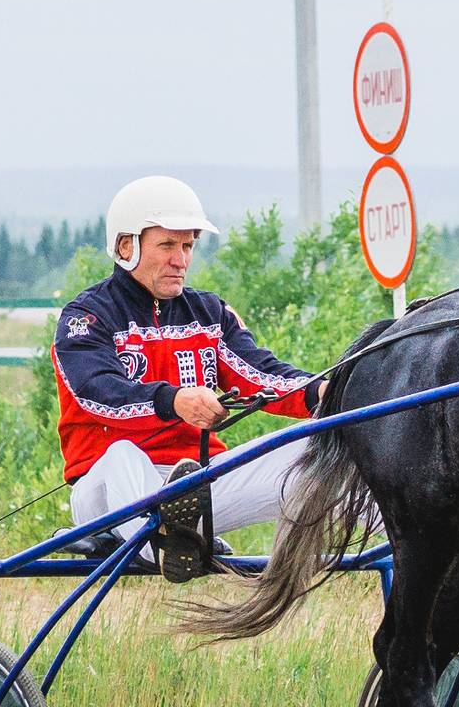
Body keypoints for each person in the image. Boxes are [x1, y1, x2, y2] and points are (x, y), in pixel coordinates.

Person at [53, 175, 326, 582]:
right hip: (108, 493)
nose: (180, 259)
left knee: (320, 446)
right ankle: (162, 541)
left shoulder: (210, 314)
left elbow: (262, 374)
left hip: (196, 485)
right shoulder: (87, 318)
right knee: (124, 456)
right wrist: (174, 400)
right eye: (167, 245)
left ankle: (416, 538)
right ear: (127, 246)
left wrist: (325, 391)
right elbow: (100, 394)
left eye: (188, 246)